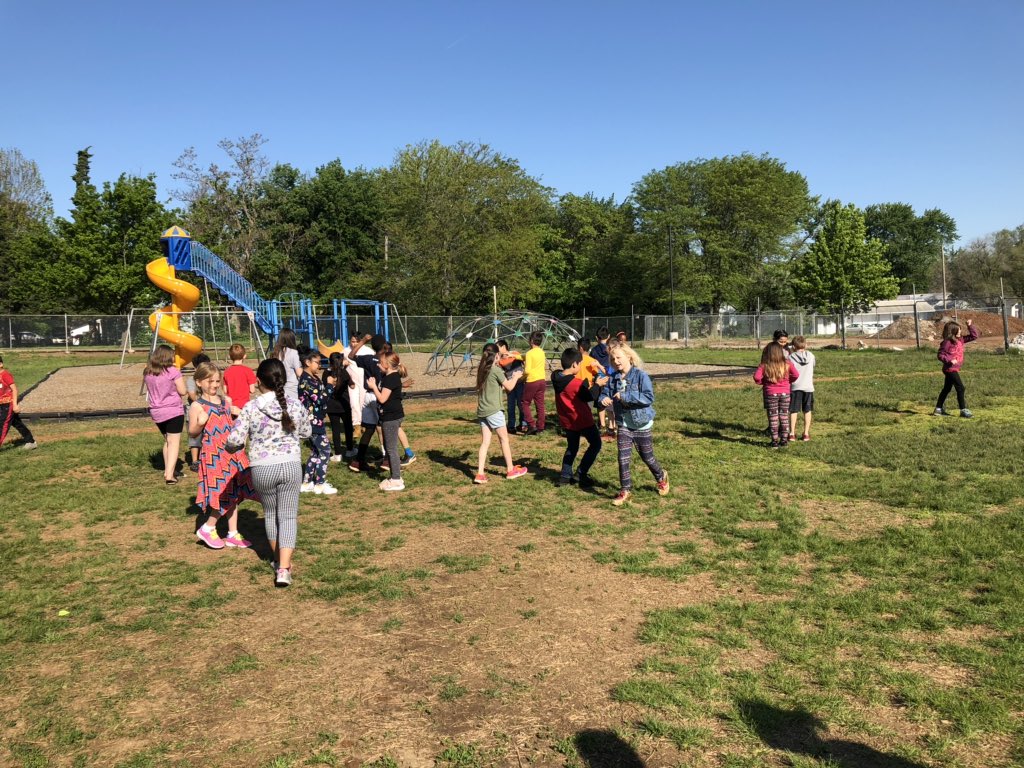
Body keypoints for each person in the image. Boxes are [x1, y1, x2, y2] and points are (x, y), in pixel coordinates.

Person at [226, 358, 312, 588]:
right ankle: (284, 568)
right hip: (291, 465)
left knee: (271, 514)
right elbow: (307, 431)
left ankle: (278, 561)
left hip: (262, 468)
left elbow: (234, 440)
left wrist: (232, 448)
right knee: (288, 516)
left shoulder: (251, 407)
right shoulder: (294, 404)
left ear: (258, 381)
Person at [189, 362, 259, 549]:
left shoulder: (224, 401)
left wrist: (235, 413)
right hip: (214, 456)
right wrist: (200, 423)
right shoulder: (197, 405)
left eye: (217, 381)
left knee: (234, 490)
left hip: (232, 452)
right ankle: (209, 527)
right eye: (209, 381)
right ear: (198, 382)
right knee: (223, 492)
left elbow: (231, 423)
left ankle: (232, 533)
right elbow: (192, 433)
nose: (214, 384)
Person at [599, 343, 669, 505]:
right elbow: (604, 394)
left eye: (619, 357)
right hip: (623, 424)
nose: (616, 361)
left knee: (647, 457)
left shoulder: (640, 376)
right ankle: (625, 490)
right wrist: (604, 399)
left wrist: (625, 396)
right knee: (623, 458)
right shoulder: (614, 378)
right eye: (613, 358)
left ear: (629, 357)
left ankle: (661, 476)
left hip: (641, 424)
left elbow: (648, 397)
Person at [552, 347, 607, 488]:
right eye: (580, 363)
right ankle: (581, 473)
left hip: (567, 420)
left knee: (572, 447)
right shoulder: (577, 383)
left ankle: (565, 476)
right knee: (596, 444)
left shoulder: (555, 377)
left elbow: (559, 373)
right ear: (575, 365)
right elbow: (590, 396)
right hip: (582, 419)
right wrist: (598, 385)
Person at [474, 342, 528, 483]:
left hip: (482, 411)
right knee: (504, 439)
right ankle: (510, 470)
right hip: (494, 411)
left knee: (485, 442)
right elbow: (509, 387)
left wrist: (508, 382)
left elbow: (497, 387)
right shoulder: (496, 370)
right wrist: (516, 376)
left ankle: (480, 474)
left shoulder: (482, 369)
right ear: (497, 355)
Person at [143, 344, 188, 484]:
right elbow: (182, 391)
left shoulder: (148, 372)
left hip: (156, 412)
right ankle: (169, 475)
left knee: (167, 441)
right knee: (174, 442)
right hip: (173, 410)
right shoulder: (172, 371)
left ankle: (170, 469)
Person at [367, 351, 407, 491]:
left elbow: (382, 398)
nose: (377, 365)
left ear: (387, 365)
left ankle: (396, 479)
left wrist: (373, 388)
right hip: (390, 416)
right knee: (389, 446)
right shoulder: (389, 376)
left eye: (380, 362)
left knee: (391, 449)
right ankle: (395, 476)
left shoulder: (391, 378)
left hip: (391, 417)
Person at [298, 350, 337, 494]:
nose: (319, 365)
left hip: (316, 420)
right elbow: (320, 399)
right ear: (307, 363)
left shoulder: (312, 378)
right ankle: (320, 483)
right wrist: (330, 386)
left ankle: (307, 482)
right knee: (325, 451)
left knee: (316, 451)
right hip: (312, 422)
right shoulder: (306, 381)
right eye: (317, 362)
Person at [347, 334, 386, 472]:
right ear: (384, 346)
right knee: (385, 427)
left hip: (367, 397)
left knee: (369, 430)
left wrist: (363, 341)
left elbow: (351, 356)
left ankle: (358, 460)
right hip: (379, 395)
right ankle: (387, 460)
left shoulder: (368, 359)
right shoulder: (384, 360)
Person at [754, 342, 800, 448]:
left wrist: (763, 382)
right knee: (784, 416)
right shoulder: (787, 363)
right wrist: (789, 381)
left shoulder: (764, 365)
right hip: (785, 393)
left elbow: (756, 377)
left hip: (770, 393)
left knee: (773, 417)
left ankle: (774, 441)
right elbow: (796, 374)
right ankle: (784, 440)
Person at [935, 318, 978, 418]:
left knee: (946, 389)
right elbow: (940, 355)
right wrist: (949, 360)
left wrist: (970, 326)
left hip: (954, 369)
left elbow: (974, 336)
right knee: (961, 388)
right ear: (953, 332)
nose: (960, 331)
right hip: (950, 369)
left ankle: (938, 409)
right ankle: (963, 410)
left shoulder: (961, 340)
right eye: (959, 330)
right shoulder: (947, 343)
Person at [0, 354, 37, 449]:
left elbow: (14, 389)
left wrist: (15, 405)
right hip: (2, 405)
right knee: (17, 423)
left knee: (3, 424)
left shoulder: (5, 375)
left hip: (8, 405)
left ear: (1, 364)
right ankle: (31, 441)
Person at [324, 351, 355, 461]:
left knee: (335, 430)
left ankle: (337, 453)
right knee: (348, 427)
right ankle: (350, 450)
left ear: (329, 362)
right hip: (344, 405)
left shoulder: (326, 373)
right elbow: (352, 386)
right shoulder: (344, 373)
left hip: (331, 405)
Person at [185, 352, 213, 471]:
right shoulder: (191, 380)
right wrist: (203, 403)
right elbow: (192, 395)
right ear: (196, 368)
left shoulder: (210, 380)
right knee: (195, 437)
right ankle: (195, 461)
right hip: (194, 413)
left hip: (207, 411)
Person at [496, 339, 527, 434]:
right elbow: (502, 371)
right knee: (511, 404)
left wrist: (524, 375)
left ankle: (523, 424)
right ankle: (511, 425)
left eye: (498, 347)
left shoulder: (515, 354)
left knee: (521, 404)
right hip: (510, 384)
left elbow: (524, 361)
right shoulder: (500, 361)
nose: (497, 349)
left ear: (503, 347)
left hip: (520, 382)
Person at [788, 336, 816, 441]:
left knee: (793, 410)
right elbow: (813, 366)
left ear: (793, 346)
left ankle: (791, 434)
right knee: (807, 410)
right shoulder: (811, 356)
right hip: (808, 387)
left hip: (795, 387)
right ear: (806, 345)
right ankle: (806, 433)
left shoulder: (790, 358)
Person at [590, 327, 615, 440]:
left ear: (596, 338)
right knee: (610, 403)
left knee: (600, 403)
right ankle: (612, 426)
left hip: (599, 378)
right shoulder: (611, 350)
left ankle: (602, 425)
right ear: (608, 336)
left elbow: (591, 364)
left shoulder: (594, 350)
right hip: (610, 378)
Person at [521, 330, 548, 435]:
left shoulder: (529, 353)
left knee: (525, 403)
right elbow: (525, 356)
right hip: (542, 381)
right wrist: (514, 355)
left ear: (531, 340)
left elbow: (527, 370)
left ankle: (531, 425)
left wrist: (521, 378)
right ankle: (541, 427)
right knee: (540, 404)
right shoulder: (542, 352)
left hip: (532, 381)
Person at [223, 343, 257, 416]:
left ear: (230, 356)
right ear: (244, 356)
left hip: (231, 406)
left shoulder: (227, 371)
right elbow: (252, 390)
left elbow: (225, 390)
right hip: (244, 406)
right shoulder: (248, 371)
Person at [272, 328, 302, 402]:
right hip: (292, 387)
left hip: (278, 386)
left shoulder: (275, 352)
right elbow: (299, 373)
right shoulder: (293, 352)